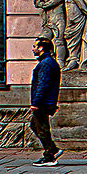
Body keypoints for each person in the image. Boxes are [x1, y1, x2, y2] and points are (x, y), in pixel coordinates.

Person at [27, 35, 61, 164]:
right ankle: (52, 149)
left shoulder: (46, 64)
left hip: (43, 102)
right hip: (45, 101)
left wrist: (36, 102)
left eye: (34, 46)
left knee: (41, 128)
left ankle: (50, 155)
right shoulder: (47, 62)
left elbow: (43, 84)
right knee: (36, 125)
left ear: (41, 48)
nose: (32, 49)